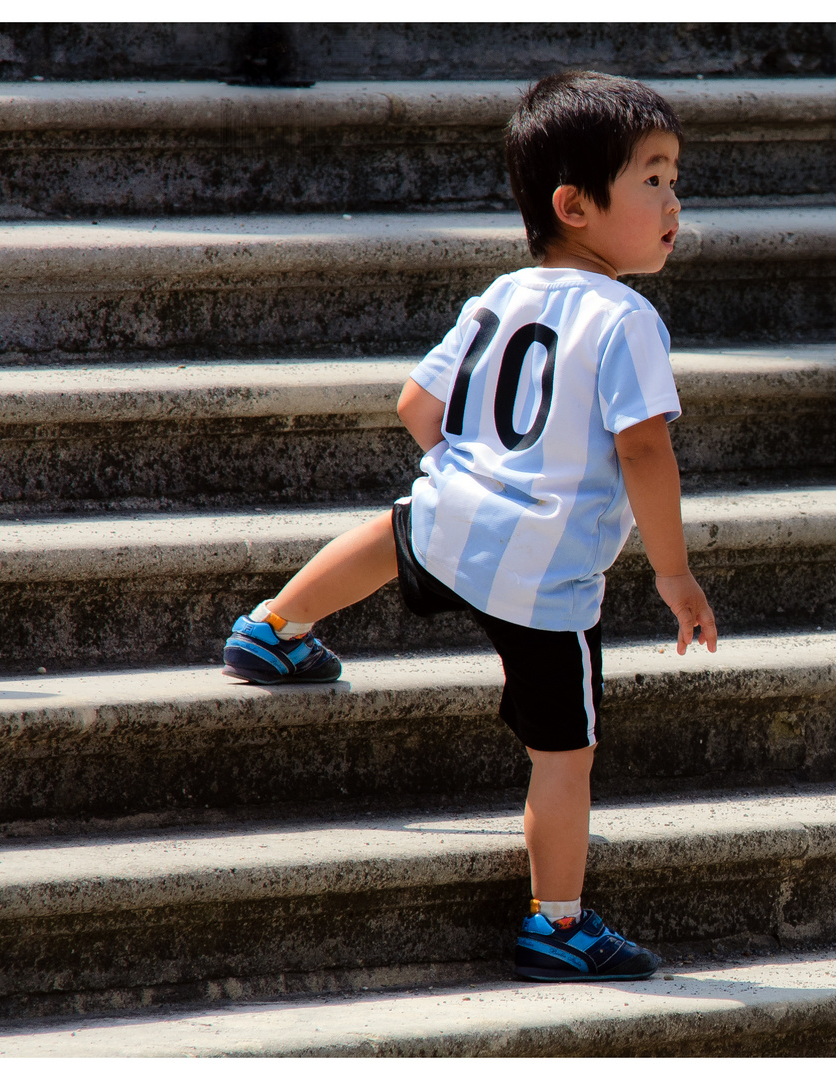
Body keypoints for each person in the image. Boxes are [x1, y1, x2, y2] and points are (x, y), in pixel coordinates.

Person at [219, 71, 717, 982]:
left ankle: (276, 626)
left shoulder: (499, 292)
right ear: (574, 204)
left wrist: (481, 463)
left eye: (674, 178)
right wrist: (673, 574)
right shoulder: (627, 318)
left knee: (398, 530)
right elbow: (645, 451)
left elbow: (417, 403)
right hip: (547, 579)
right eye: (653, 179)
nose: (674, 199)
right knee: (564, 753)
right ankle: (555, 923)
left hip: (457, 516)